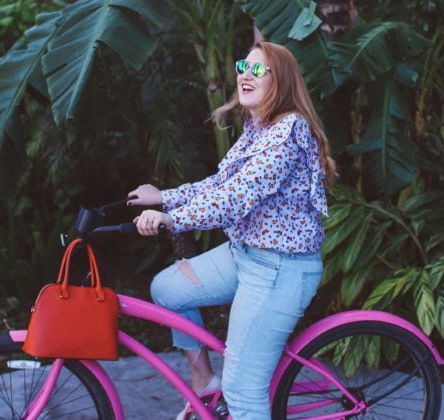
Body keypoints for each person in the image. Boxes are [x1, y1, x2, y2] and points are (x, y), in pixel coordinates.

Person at [128, 41, 337, 420]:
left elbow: (238, 196)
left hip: (278, 270)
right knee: (167, 289)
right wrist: (164, 196)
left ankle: (233, 396)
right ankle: (205, 381)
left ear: (282, 80)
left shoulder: (288, 130)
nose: (244, 74)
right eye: (243, 65)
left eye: (258, 69)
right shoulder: (259, 126)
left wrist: (171, 218)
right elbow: (222, 184)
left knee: (243, 394)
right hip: (243, 255)